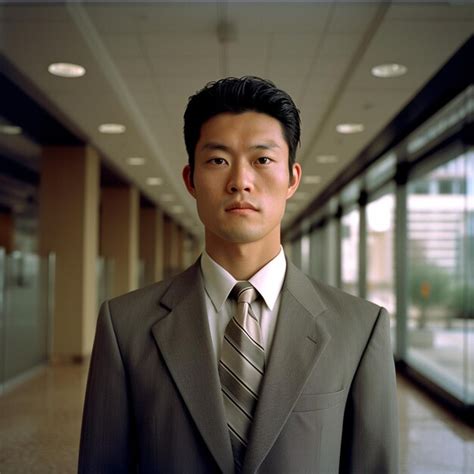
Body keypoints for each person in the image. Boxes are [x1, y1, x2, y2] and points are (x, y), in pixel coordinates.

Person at [79, 76, 399, 473]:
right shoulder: (125, 326)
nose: (240, 182)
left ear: (292, 178)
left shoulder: (360, 327)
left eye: (262, 160)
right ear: (190, 180)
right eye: (218, 160)